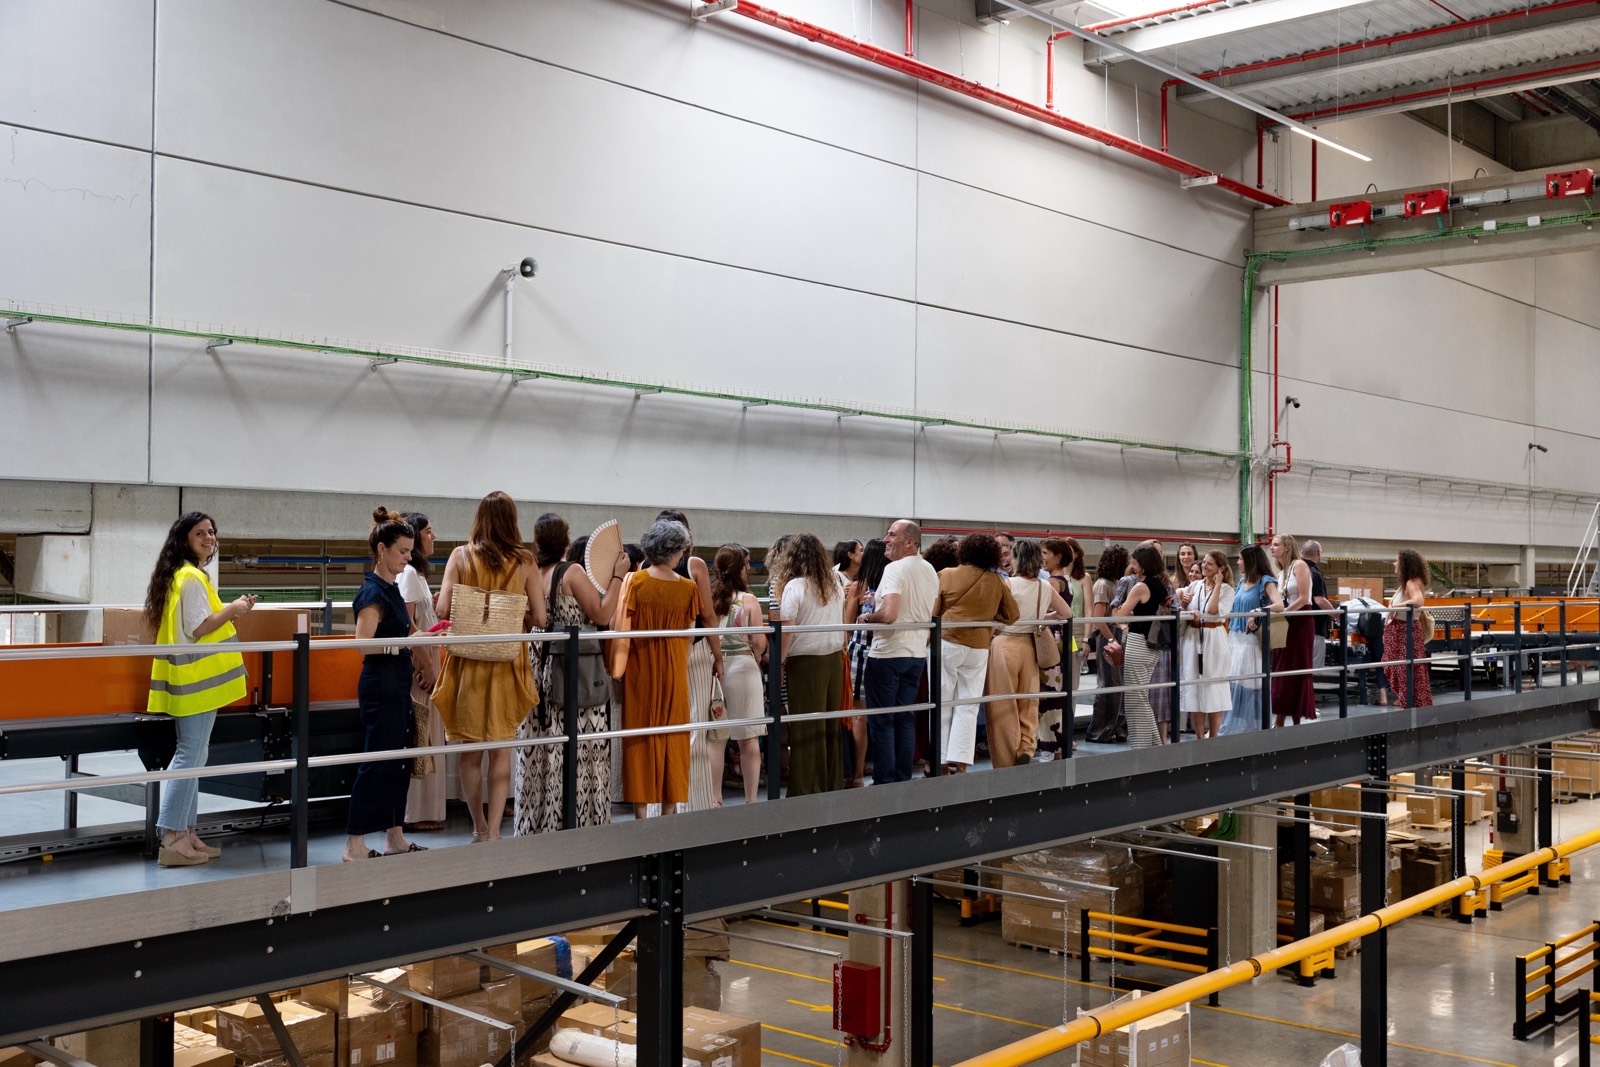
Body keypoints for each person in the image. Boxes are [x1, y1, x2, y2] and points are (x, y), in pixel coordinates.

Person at [144, 512, 255, 867]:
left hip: (196, 685)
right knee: (190, 754)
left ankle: (187, 832)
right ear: (184, 539)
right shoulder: (191, 578)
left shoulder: (189, 576)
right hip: (195, 685)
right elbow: (199, 627)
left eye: (211, 532)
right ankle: (173, 837)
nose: (208, 537)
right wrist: (234, 609)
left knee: (196, 754)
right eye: (200, 532)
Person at [432, 491, 544, 841]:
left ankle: (478, 825)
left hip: (467, 665)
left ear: (479, 518)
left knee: (470, 752)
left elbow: (441, 611)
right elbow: (540, 616)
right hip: (507, 666)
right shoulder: (525, 560)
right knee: (500, 751)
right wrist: (511, 610)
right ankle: (495, 830)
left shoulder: (460, 555)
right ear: (512, 521)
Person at [516, 513, 631, 834]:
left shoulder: (532, 573)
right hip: (575, 671)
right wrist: (619, 577)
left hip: (539, 667)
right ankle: (582, 819)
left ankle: (540, 822)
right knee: (580, 746)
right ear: (565, 540)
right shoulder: (572, 572)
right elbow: (602, 612)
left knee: (542, 744)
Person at [344, 508, 427, 861]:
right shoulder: (372, 592)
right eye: (402, 552)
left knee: (399, 760)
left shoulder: (392, 589)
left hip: (398, 680)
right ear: (382, 549)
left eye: (410, 551)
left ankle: (395, 835)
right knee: (377, 761)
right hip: (381, 683)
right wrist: (406, 642)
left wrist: (428, 635)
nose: (408, 558)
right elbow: (363, 643)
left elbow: (406, 632)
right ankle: (354, 844)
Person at [618, 519, 702, 817]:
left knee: (640, 738)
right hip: (674, 673)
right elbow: (690, 636)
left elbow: (622, 627)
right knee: (674, 739)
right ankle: (669, 812)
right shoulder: (689, 589)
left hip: (640, 671)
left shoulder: (635, 581)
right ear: (676, 551)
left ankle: (641, 815)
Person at [858, 520, 937, 784]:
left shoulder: (894, 569)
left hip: (888, 654)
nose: (885, 539)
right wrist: (878, 601)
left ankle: (884, 782)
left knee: (882, 722)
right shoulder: (929, 570)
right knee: (904, 719)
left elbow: (890, 615)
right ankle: (902, 779)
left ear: (909, 542)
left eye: (892, 535)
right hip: (915, 655)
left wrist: (868, 617)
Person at [656, 510, 725, 811]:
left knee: (663, 727)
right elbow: (707, 615)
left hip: (659, 652)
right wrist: (718, 656)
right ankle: (691, 803)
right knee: (694, 727)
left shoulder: (646, 566)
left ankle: (661, 804)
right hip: (693, 651)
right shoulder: (694, 564)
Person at [932, 534, 1019, 772]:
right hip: (979, 647)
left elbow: (933, 610)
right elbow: (1011, 615)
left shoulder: (947, 575)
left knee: (943, 702)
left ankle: (940, 761)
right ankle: (961, 763)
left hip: (948, 644)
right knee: (968, 706)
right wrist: (987, 617)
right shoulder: (996, 580)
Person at [992, 540, 1071, 766]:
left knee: (1003, 704)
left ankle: (1006, 756)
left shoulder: (1007, 584)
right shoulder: (1044, 586)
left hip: (1005, 644)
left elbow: (997, 619)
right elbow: (1065, 613)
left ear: (1017, 558)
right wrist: (1042, 618)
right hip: (1030, 646)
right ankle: (1027, 746)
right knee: (1029, 702)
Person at [778, 534, 847, 794]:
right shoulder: (835, 584)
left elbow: (788, 631)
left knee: (806, 727)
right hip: (833, 660)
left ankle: (805, 788)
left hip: (805, 663)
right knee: (830, 726)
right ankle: (831, 783)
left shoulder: (795, 586)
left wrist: (779, 664)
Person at [710, 544, 768, 804]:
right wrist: (756, 656)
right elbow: (758, 641)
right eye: (745, 564)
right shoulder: (749, 600)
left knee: (716, 739)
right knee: (748, 739)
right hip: (743, 670)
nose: (747, 569)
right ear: (739, 569)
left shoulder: (708, 597)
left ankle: (714, 799)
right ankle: (751, 800)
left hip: (715, 670)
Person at [400, 512, 445, 832]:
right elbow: (409, 623)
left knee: (429, 733)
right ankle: (415, 812)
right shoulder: (410, 574)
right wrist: (425, 664)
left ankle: (425, 809)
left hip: (430, 657)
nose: (433, 537)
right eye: (428, 532)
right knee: (422, 733)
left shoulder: (417, 575)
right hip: (422, 664)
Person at [1219, 544, 1282, 735]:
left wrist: (1258, 612)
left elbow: (1280, 605)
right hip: (1234, 640)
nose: (1237, 562)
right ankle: (1233, 726)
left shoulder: (1266, 581)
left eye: (1240, 558)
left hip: (1252, 643)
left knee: (1250, 685)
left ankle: (1254, 728)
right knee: (1234, 684)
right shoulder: (1241, 582)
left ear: (1249, 560)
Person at [843, 539, 888, 787]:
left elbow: (849, 624)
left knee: (859, 715)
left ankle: (858, 773)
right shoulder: (892, 585)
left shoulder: (859, 586)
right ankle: (882, 768)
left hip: (860, 651)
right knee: (884, 714)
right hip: (886, 650)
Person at [1114, 544, 1170, 748]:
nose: (1133, 567)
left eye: (1135, 563)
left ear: (1144, 565)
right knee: (1141, 695)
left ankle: (1141, 745)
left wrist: (1123, 611)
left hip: (1138, 642)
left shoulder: (1140, 587)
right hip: (1152, 645)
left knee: (1135, 698)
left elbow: (1119, 615)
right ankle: (1154, 743)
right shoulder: (1160, 586)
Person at [1184, 551, 1235, 739]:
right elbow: (1184, 607)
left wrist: (1218, 584)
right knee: (1195, 688)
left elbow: (1213, 610)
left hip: (1214, 638)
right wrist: (1184, 604)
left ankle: (1213, 737)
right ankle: (1199, 737)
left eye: (1209, 564)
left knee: (1213, 688)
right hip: (1193, 637)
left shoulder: (1228, 590)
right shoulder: (1195, 585)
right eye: (1204, 563)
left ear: (1220, 568)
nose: (1204, 566)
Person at [1270, 533, 1317, 727]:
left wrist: (1284, 612)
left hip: (1300, 621)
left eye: (1275, 544)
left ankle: (1293, 717)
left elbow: (1304, 597)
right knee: (1281, 667)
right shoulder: (1281, 572)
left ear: (1287, 547)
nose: (1271, 548)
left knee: (1295, 667)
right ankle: (1281, 716)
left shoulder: (1300, 565)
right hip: (1286, 621)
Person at [1087, 544, 1129, 744]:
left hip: (1115, 634)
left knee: (1118, 685)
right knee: (1109, 685)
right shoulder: (1103, 585)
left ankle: (1113, 727)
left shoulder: (1113, 583)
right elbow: (1098, 618)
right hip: (1107, 636)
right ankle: (1098, 730)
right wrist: (1111, 639)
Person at [1385, 549, 1434, 708]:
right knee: (1405, 666)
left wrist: (1395, 607)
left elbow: (1418, 601)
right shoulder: (1411, 582)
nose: (1395, 563)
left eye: (1397, 560)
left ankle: (1408, 699)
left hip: (1404, 632)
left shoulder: (1411, 582)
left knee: (1403, 666)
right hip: (1403, 631)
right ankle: (1408, 698)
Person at [1301, 540, 1334, 682]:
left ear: (1302, 553)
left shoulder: (1293, 571)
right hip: (1314, 627)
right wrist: (1338, 615)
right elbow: (1319, 600)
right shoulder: (1314, 573)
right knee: (1312, 667)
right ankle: (1310, 699)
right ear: (1319, 553)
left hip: (1298, 625)